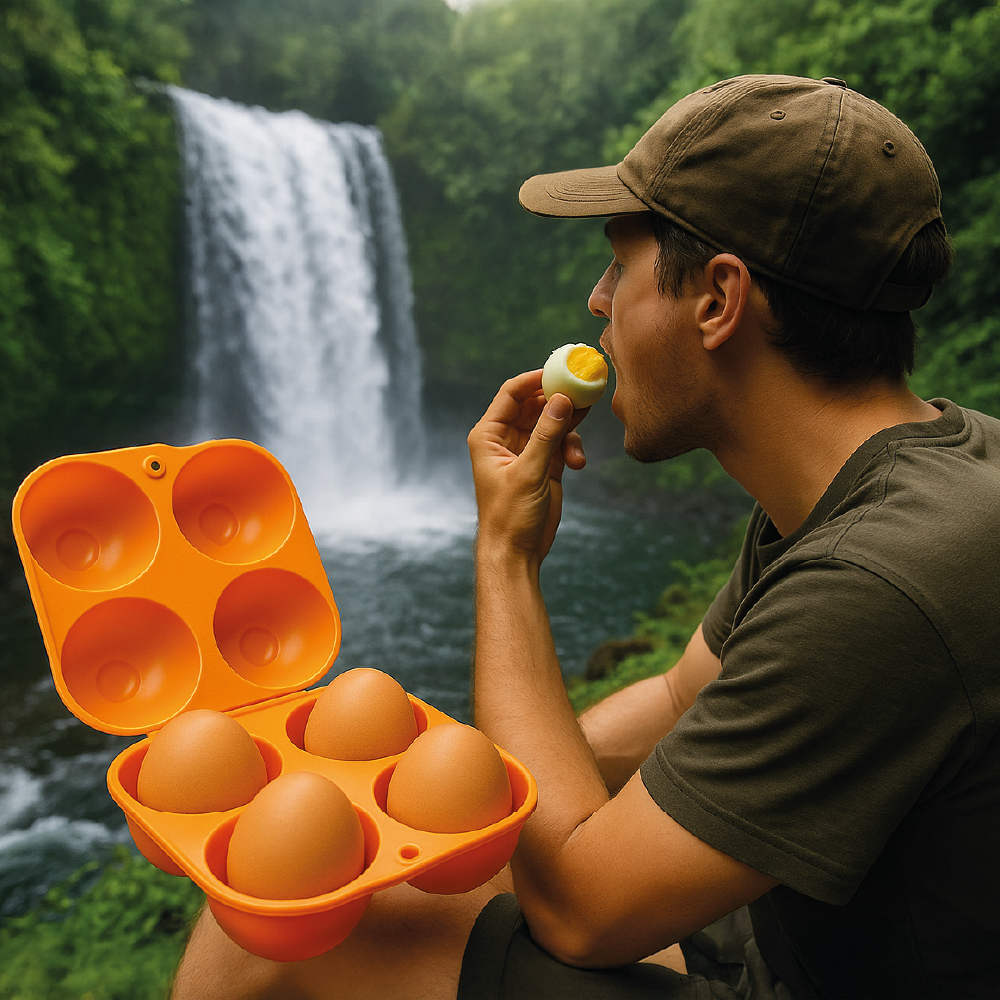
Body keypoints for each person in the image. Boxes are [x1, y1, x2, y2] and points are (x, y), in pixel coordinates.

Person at [171, 74, 999, 1000]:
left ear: (719, 299)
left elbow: (581, 910)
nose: (598, 302)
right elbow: (684, 698)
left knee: (265, 944)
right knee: (339, 872)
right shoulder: (904, 479)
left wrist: (504, 554)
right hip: (792, 943)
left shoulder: (878, 582)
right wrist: (409, 791)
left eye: (619, 266)